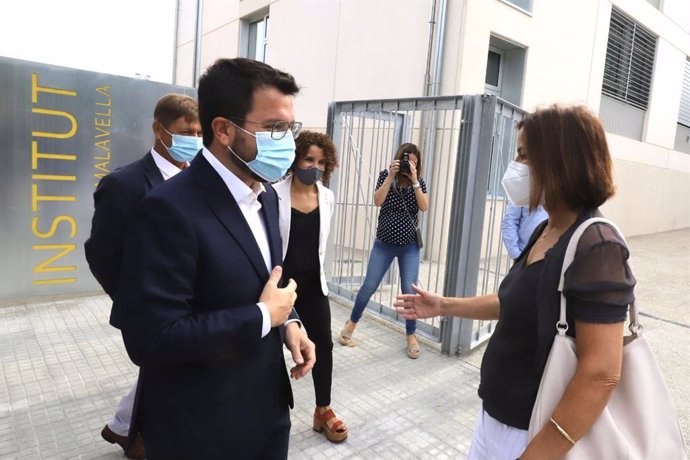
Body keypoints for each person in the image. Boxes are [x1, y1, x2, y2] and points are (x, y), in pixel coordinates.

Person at [395, 105, 635, 459]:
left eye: (524, 155)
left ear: (559, 161)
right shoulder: (545, 229)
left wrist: (538, 453)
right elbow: (515, 300)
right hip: (496, 422)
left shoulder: (597, 246)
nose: (515, 165)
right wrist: (445, 305)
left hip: (536, 434)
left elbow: (601, 373)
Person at [111, 58, 316, 460]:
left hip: (267, 414)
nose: (287, 142)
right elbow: (151, 340)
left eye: (290, 128)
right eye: (273, 128)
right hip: (202, 430)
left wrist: (289, 323)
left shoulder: (268, 196)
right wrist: (263, 317)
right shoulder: (167, 209)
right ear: (223, 130)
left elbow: (265, 283)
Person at [84, 93, 202, 458]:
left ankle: (122, 427)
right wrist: (134, 300)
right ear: (158, 130)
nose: (194, 140)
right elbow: (102, 254)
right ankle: (134, 433)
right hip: (149, 309)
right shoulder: (124, 185)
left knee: (170, 371)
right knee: (166, 371)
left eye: (199, 133)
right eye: (186, 132)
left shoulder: (199, 181)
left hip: (191, 304)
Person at [273, 131, 348, 443]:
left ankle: (323, 409)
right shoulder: (272, 193)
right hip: (280, 286)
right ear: (296, 158)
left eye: (321, 162)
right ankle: (271, 412)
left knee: (325, 347)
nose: (315, 167)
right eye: (309, 159)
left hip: (314, 285)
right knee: (269, 349)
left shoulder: (327, 197)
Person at [339, 143, 429, 359]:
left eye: (413, 162)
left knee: (409, 292)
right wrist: (390, 176)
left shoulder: (420, 183)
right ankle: (351, 324)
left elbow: (424, 207)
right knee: (369, 286)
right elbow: (377, 201)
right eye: (406, 160)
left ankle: (410, 335)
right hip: (384, 244)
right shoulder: (385, 176)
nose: (409, 165)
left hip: (409, 247)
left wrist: (415, 180)